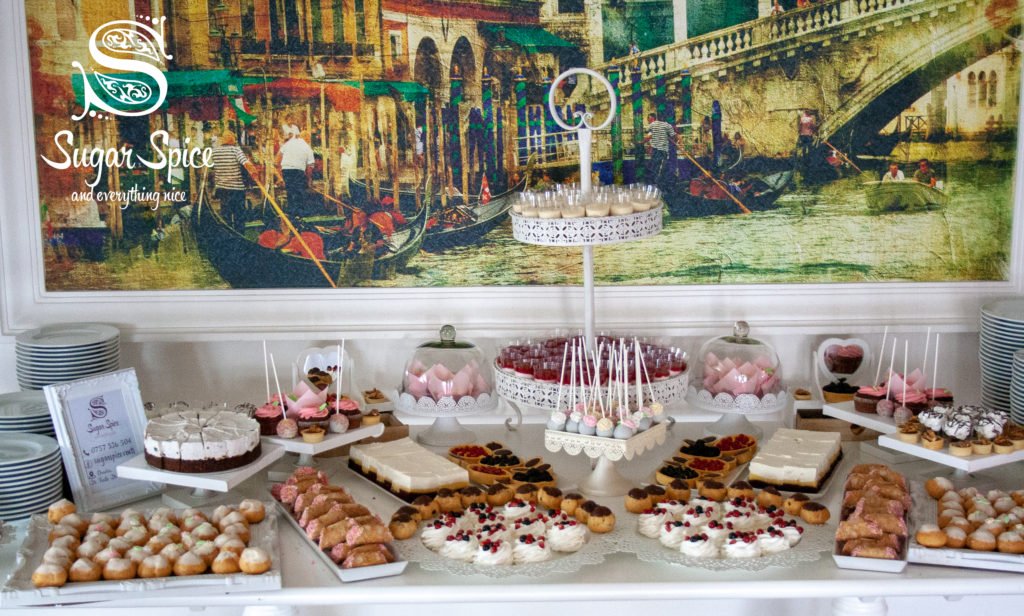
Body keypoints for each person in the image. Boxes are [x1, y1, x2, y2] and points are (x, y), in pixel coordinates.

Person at [211, 130, 259, 233]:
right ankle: (239, 235)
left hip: (222, 189)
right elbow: (246, 163)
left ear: (222, 140)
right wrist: (254, 173)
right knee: (239, 216)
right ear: (232, 140)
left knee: (226, 215)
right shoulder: (236, 150)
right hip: (236, 189)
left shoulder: (215, 152)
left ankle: (228, 235)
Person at [276, 124, 315, 215]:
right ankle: (298, 213)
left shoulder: (289, 143)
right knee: (299, 191)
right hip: (298, 170)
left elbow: (278, 156)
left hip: (286, 169)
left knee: (290, 191)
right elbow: (310, 167)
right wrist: (309, 180)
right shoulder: (307, 148)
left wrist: (279, 171)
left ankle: (291, 212)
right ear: (308, 139)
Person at [643, 112, 676, 184]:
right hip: (663, 149)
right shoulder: (668, 126)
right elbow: (673, 136)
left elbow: (647, 130)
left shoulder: (653, 124)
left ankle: (653, 181)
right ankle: (659, 181)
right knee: (662, 166)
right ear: (665, 118)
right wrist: (667, 135)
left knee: (654, 165)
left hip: (655, 149)